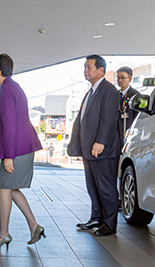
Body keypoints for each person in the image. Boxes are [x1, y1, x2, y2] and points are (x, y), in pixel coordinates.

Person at [0, 54, 44, 249]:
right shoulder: (13, 87)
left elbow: (9, 125)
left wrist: (8, 156)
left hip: (17, 148)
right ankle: (33, 226)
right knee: (10, 188)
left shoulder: (6, 90)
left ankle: (3, 234)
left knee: (4, 187)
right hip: (22, 146)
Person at [68, 55, 120, 236]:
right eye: (85, 67)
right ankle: (96, 217)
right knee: (93, 186)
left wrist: (100, 142)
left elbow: (109, 120)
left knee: (106, 187)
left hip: (102, 149)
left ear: (101, 70)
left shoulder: (109, 91)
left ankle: (109, 225)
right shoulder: (91, 91)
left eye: (89, 67)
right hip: (89, 149)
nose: (86, 70)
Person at [116, 66, 139, 147]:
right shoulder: (115, 94)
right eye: (118, 77)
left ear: (130, 79)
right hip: (116, 133)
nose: (119, 80)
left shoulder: (135, 95)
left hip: (129, 132)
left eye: (123, 78)